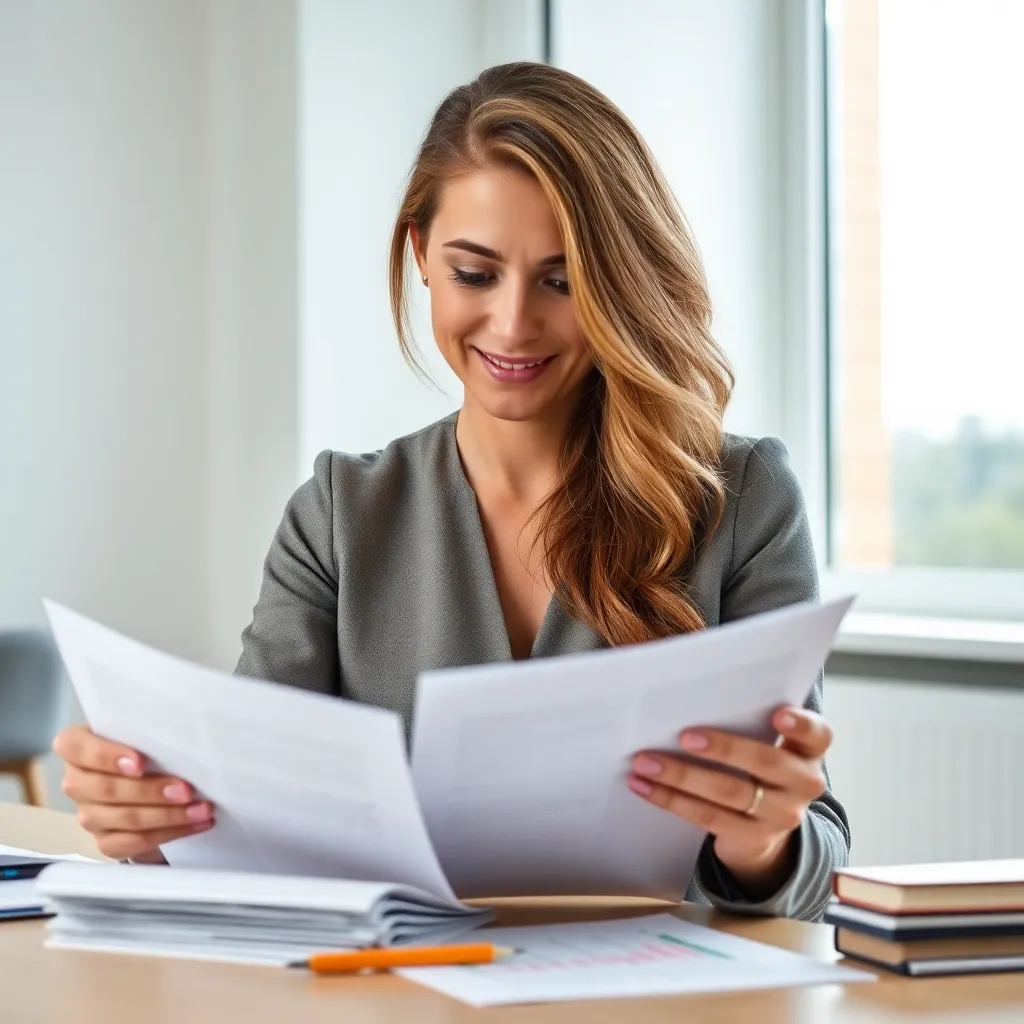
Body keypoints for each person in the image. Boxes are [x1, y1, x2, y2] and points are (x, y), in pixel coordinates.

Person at [52, 62, 849, 922]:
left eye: (564, 280)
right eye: (475, 274)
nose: (512, 324)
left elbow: (819, 856)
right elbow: (251, 818)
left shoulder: (741, 497)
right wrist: (153, 827)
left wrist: (761, 840)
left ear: (622, 282)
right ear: (421, 254)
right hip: (403, 993)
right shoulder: (339, 514)